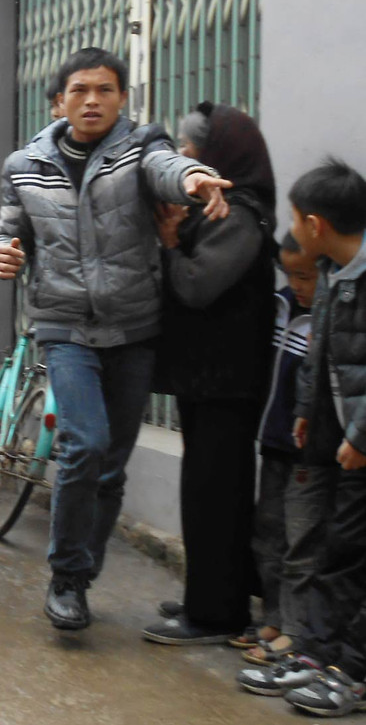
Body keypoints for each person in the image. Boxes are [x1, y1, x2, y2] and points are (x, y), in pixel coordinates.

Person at [0, 46, 231, 632]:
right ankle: (66, 576)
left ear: (122, 98)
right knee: (85, 442)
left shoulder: (142, 148)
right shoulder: (24, 164)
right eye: (79, 90)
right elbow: (9, 227)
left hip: (133, 326)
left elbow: (166, 171)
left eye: (104, 89)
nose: (92, 100)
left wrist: (193, 177)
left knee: (110, 466)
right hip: (64, 323)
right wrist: (3, 252)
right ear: (58, 101)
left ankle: (81, 576)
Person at [142, 103, 277, 644]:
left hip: (228, 381)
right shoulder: (220, 209)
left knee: (216, 494)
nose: (184, 157)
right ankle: (208, 596)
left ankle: (218, 615)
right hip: (211, 378)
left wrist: (172, 242)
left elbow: (198, 285)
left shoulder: (239, 214)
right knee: (205, 490)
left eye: (192, 147)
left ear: (221, 154)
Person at [242, 159, 366, 716]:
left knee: (350, 556)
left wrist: (360, 435)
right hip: (330, 439)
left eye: (295, 218)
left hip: (357, 443)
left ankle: (353, 674)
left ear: (315, 224)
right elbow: (325, 353)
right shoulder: (338, 273)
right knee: (331, 549)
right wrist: (306, 412)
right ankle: (319, 657)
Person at [236, 233, 318, 666]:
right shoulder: (281, 305)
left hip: (306, 450)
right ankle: (273, 616)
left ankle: (295, 630)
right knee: (268, 531)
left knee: (300, 540)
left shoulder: (326, 319)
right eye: (291, 275)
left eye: (306, 276)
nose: (297, 284)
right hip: (273, 442)